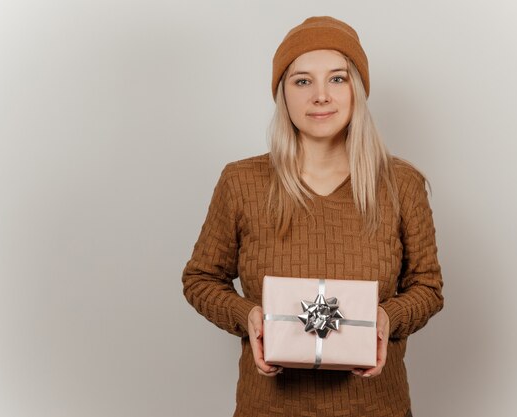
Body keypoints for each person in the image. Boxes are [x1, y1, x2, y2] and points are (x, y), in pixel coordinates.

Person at [181, 15, 444, 417]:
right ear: (282, 94)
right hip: (268, 408)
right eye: (302, 81)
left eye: (337, 79)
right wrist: (247, 315)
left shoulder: (401, 184)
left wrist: (386, 318)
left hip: (377, 408)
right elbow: (200, 278)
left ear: (357, 89)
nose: (321, 96)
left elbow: (428, 286)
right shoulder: (241, 182)